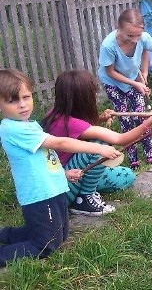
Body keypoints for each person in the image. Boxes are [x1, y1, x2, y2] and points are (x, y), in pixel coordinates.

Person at [0, 69, 121, 268]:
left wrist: (63, 173)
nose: (22, 105)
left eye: (26, 97)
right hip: (40, 195)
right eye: (12, 100)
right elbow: (60, 144)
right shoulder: (13, 128)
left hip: (53, 187)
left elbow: (43, 159)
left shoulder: (28, 124)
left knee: (61, 234)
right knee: (46, 244)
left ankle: (5, 235)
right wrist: (98, 148)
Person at [40, 70, 152, 216]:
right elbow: (120, 139)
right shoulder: (71, 123)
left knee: (127, 175)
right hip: (63, 187)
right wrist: (151, 120)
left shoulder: (55, 113)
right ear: (84, 99)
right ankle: (84, 199)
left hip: (67, 176)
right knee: (100, 144)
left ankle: (85, 188)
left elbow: (80, 129)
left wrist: (100, 119)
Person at [97, 8, 152, 170]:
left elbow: (145, 52)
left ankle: (150, 154)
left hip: (133, 78)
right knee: (125, 117)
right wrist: (134, 84)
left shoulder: (143, 38)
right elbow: (110, 72)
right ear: (118, 27)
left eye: (138, 35)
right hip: (113, 82)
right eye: (130, 35)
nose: (134, 40)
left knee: (141, 116)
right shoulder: (108, 45)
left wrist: (143, 75)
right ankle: (133, 159)